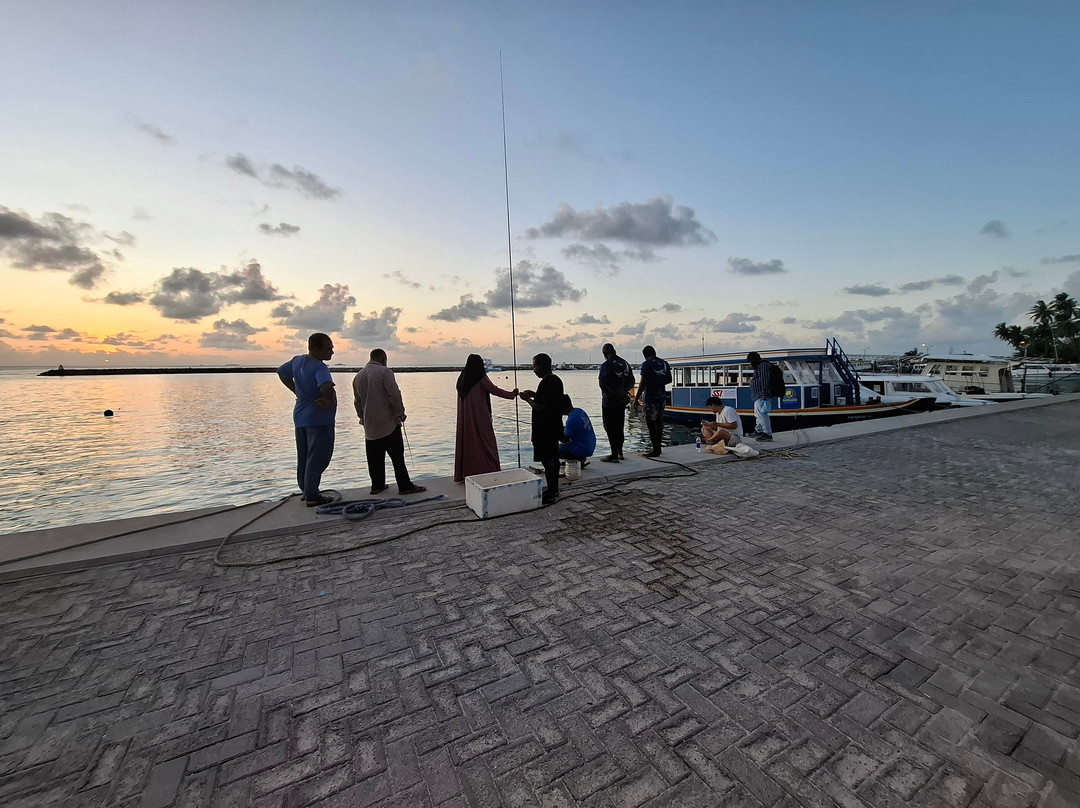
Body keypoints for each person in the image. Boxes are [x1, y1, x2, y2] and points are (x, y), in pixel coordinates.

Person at [352, 348, 427, 496]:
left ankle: (377, 485)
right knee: (397, 456)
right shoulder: (385, 372)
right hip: (388, 422)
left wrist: (361, 416)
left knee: (374, 458)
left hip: (370, 425)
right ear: (384, 359)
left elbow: (357, 401)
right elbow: (394, 394)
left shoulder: (358, 377)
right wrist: (401, 413)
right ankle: (405, 486)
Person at [277, 333, 337, 506]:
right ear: (316, 348)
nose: (332, 351)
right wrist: (327, 399)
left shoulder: (297, 361)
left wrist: (297, 390)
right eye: (329, 348)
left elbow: (281, 372)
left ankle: (306, 489)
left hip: (301, 416)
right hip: (319, 419)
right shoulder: (320, 367)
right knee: (318, 457)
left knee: (304, 456)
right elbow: (326, 385)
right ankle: (311, 495)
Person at [453, 354, 518, 482]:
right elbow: (494, 390)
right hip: (480, 417)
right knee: (487, 444)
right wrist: (512, 394)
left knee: (469, 444)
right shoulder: (480, 377)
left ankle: (468, 472)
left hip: (465, 420)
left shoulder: (461, 380)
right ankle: (488, 470)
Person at [519, 353, 564, 505]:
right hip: (555, 425)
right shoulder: (556, 380)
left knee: (547, 460)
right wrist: (534, 394)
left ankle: (551, 493)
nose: (533, 370)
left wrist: (527, 400)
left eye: (534, 366)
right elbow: (550, 400)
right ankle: (554, 489)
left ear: (541, 366)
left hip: (544, 429)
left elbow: (540, 407)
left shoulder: (545, 382)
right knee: (554, 458)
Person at [597, 343, 635, 462]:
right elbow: (632, 380)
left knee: (609, 426)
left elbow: (602, 384)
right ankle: (620, 452)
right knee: (619, 426)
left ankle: (614, 455)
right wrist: (624, 392)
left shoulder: (606, 365)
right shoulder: (624, 363)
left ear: (604, 353)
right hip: (621, 401)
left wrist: (614, 394)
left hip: (609, 402)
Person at [632, 345, 672, 457]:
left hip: (651, 398)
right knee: (659, 422)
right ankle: (658, 448)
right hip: (662, 397)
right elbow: (669, 379)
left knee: (651, 423)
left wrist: (636, 399)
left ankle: (655, 450)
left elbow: (642, 383)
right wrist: (659, 381)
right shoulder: (664, 363)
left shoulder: (647, 364)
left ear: (645, 355)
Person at [558, 394, 596, 465]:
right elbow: (572, 429)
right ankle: (578, 458)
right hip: (590, 445)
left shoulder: (571, 420)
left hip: (583, 449)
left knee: (553, 449)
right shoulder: (579, 411)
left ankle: (577, 458)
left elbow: (564, 440)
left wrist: (553, 432)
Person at [747, 351, 774, 441]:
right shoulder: (759, 367)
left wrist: (764, 394)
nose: (750, 364)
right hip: (758, 395)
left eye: (750, 361)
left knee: (762, 414)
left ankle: (767, 433)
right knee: (758, 414)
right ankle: (759, 430)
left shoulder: (763, 366)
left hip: (762, 395)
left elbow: (765, 380)